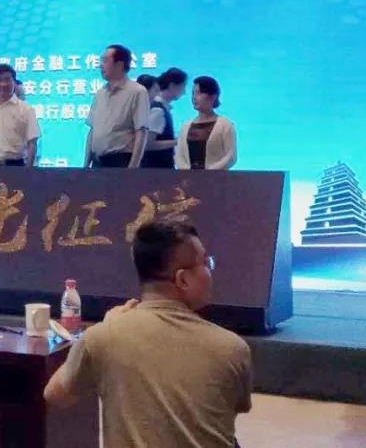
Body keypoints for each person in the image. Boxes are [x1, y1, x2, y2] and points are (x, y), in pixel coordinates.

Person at [44, 221, 252, 448]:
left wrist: (104, 328)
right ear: (182, 279)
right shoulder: (231, 348)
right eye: (205, 263)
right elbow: (235, 407)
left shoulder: (102, 337)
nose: (209, 271)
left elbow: (54, 395)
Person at [84, 44, 150, 169]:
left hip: (120, 162)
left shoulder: (137, 91)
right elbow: (92, 131)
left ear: (119, 65)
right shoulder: (100, 93)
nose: (100, 65)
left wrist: (133, 168)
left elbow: (141, 131)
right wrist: (85, 166)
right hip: (97, 163)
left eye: (105, 61)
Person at [175, 76, 237, 170]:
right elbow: (179, 156)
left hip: (216, 177)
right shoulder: (186, 126)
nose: (194, 97)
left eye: (199, 93)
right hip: (188, 177)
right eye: (193, 93)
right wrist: (188, 172)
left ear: (213, 96)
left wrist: (208, 172)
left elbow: (231, 156)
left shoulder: (225, 125)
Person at [141, 67, 188, 169]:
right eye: (183, 87)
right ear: (172, 86)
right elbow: (148, 144)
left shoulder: (161, 107)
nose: (184, 92)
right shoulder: (158, 110)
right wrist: (178, 141)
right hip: (155, 170)